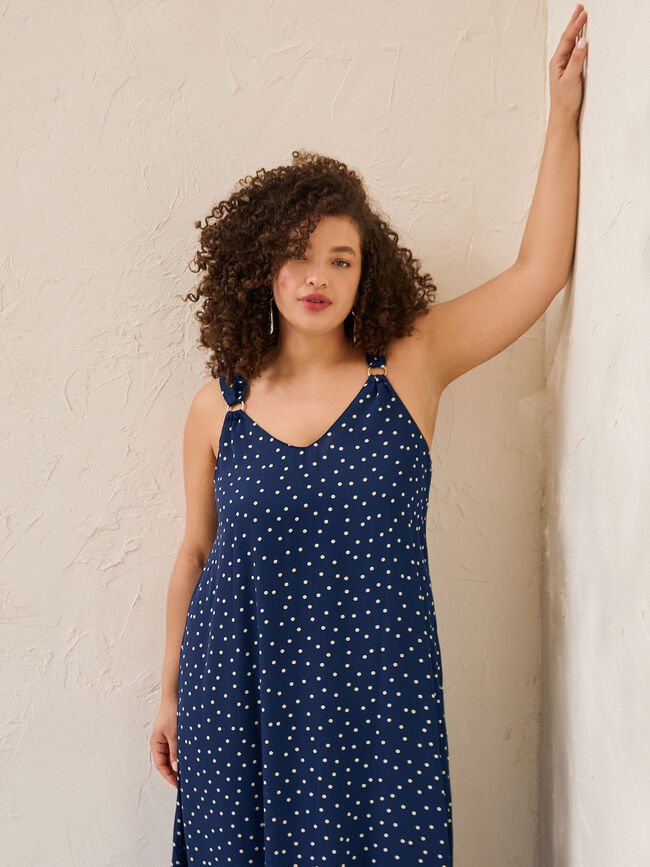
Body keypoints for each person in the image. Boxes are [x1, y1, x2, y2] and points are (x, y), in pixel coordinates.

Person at [151, 8, 588, 863]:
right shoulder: (219, 408)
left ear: (365, 272)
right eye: (296, 255)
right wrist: (168, 693)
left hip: (379, 701)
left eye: (340, 258)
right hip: (239, 694)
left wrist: (561, 120)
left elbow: (538, 274)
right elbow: (195, 552)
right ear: (261, 267)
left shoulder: (411, 364)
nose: (316, 276)